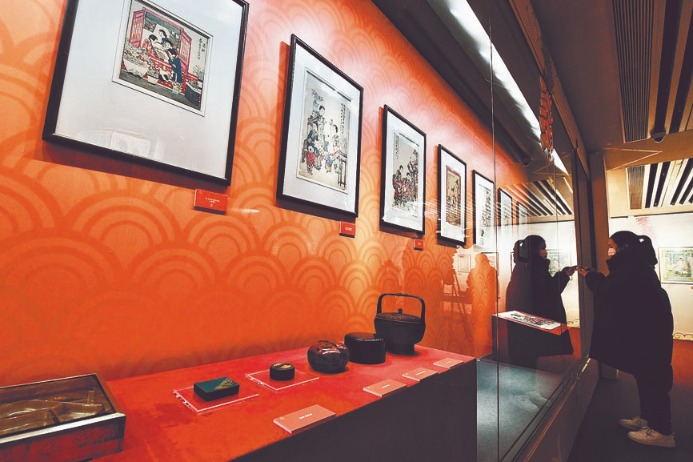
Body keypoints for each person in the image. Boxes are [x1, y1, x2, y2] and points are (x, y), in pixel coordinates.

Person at [578, 231, 675, 448]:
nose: (609, 251)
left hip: (649, 336)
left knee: (653, 382)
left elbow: (608, 292)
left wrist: (591, 276)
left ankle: (662, 432)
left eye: (612, 246)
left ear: (625, 247)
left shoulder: (633, 268)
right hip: (648, 334)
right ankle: (648, 419)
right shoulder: (636, 265)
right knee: (647, 378)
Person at [505, 235, 574, 369]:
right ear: (533, 250)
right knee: (530, 366)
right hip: (532, 327)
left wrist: (562, 275)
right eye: (542, 248)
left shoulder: (524, 267)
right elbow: (548, 293)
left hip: (526, 327)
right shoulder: (533, 268)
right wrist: (563, 275)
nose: (545, 252)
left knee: (528, 363)